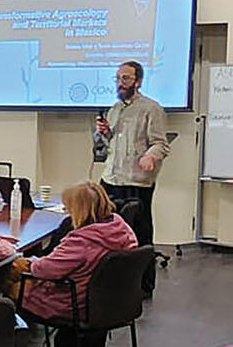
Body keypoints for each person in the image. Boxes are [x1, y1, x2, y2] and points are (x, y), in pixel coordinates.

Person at [12, 182, 138, 321]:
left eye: (69, 208)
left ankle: (4, 336)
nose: (66, 211)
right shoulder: (121, 229)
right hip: (111, 302)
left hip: (72, 303)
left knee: (4, 278)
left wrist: (28, 262)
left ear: (79, 210)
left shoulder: (82, 241)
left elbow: (45, 270)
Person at [94, 60, 169, 288]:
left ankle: (144, 284)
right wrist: (105, 133)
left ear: (137, 82)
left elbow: (161, 144)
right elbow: (110, 144)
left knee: (139, 232)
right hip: (111, 177)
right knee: (107, 231)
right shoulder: (115, 109)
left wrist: (150, 156)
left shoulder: (151, 108)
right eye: (117, 78)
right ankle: (112, 282)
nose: (120, 83)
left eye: (125, 78)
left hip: (136, 181)